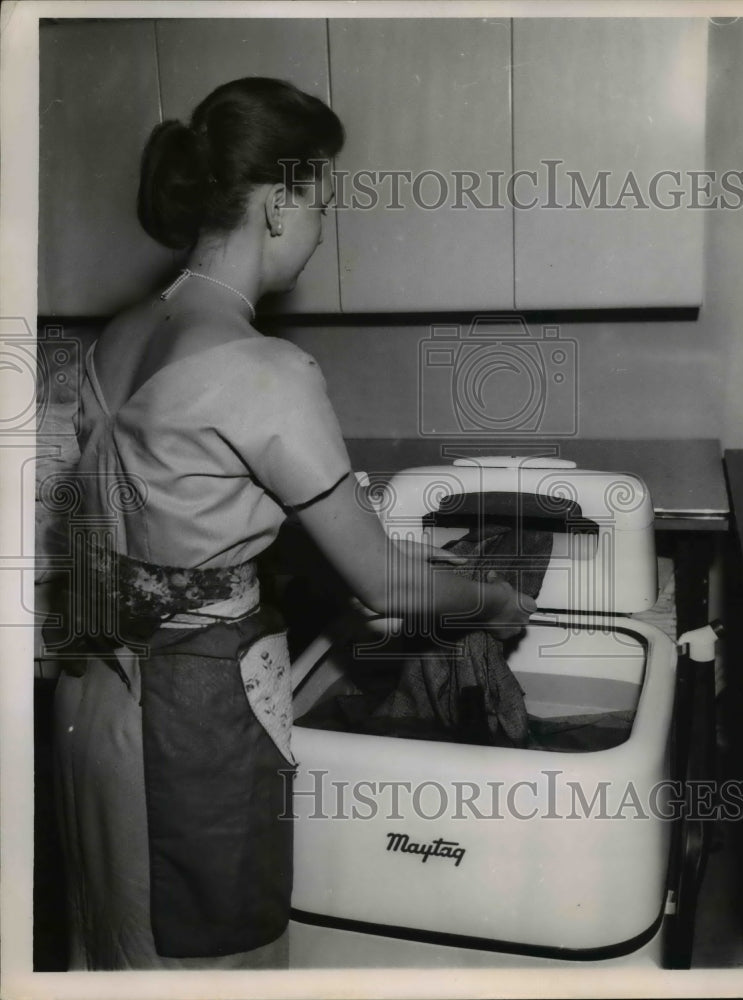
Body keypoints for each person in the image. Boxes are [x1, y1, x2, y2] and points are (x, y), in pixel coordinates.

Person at [51, 77, 537, 970]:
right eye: (322, 202)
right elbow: (386, 582)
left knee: (118, 944)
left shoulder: (112, 339)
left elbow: (152, 524)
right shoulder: (262, 365)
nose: (319, 227)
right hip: (193, 719)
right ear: (280, 203)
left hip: (95, 706)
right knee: (213, 960)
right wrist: (499, 603)